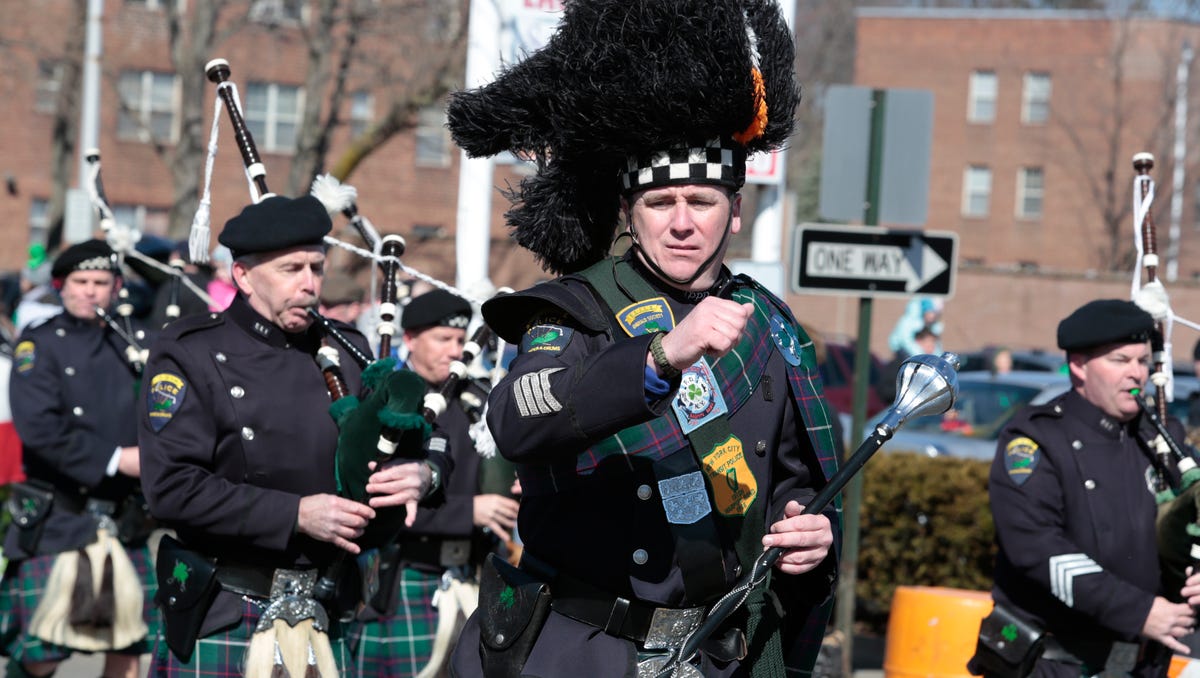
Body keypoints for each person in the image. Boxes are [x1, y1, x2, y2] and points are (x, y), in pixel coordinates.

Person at [444, 1, 840, 674]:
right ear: (630, 212)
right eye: (661, 203)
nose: (682, 224)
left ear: (736, 211)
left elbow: (790, 475)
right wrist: (660, 356)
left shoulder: (771, 325)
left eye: (703, 202)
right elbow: (516, 419)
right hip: (584, 647)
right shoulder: (576, 307)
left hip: (717, 651)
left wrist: (803, 525)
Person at [137, 195, 451, 676]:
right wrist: (296, 514)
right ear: (242, 275)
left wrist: (423, 474)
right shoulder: (190, 353)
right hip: (228, 610)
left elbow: (427, 433)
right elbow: (171, 488)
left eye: (317, 268)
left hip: (327, 608)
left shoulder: (348, 349)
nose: (309, 285)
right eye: (291, 269)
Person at [970, 299, 1198, 677]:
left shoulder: (1161, 438)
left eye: (1143, 362)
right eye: (1120, 361)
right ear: (1078, 365)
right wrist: (1138, 611)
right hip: (1055, 663)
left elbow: (1189, 525)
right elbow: (1036, 548)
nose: (1136, 374)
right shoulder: (1036, 437)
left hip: (1143, 665)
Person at [0, 239, 157, 678]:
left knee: (128, 650)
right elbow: (40, 429)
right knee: (42, 654)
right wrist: (115, 459)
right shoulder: (40, 344)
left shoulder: (140, 344)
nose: (90, 291)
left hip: (127, 518)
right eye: (80, 281)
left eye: (101, 282)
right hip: (60, 517)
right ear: (61, 285)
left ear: (117, 286)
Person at [349, 288, 519, 676]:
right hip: (407, 576)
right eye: (443, 339)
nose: (455, 350)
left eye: (461, 340)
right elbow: (374, 499)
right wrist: (468, 511)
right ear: (409, 338)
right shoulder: (385, 400)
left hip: (475, 577)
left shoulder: (478, 401)